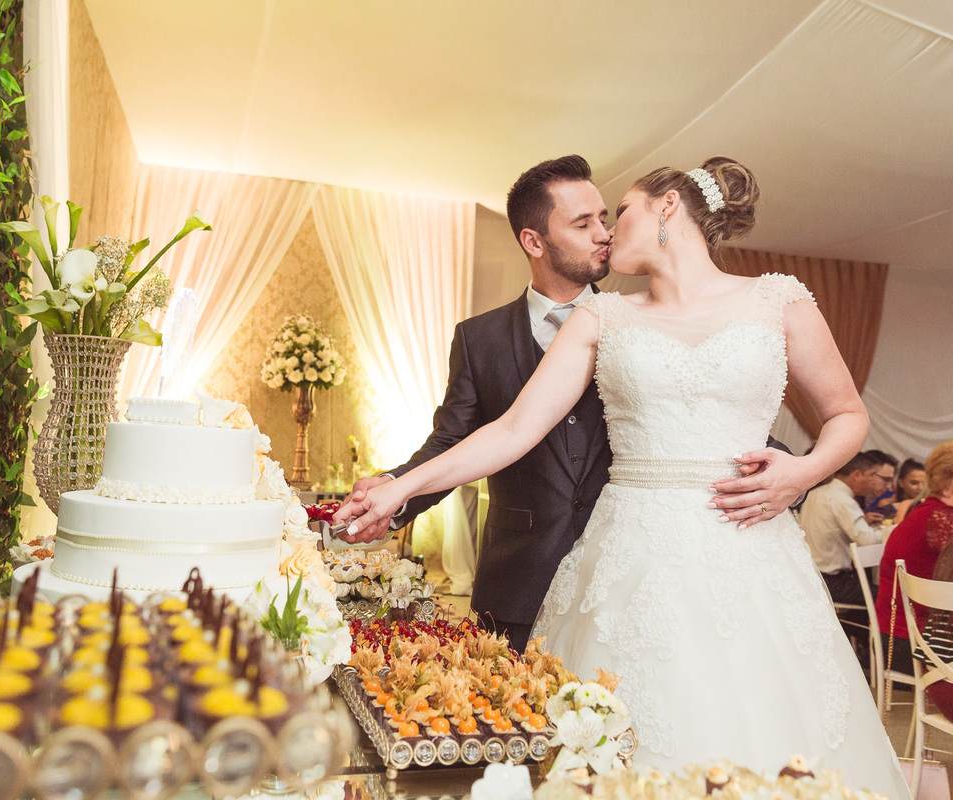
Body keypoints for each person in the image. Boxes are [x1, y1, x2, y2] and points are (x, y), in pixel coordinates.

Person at [336, 157, 909, 794]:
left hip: (749, 551)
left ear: (668, 207)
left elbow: (847, 414)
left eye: (621, 211)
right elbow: (512, 429)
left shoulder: (780, 300)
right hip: (630, 556)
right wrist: (399, 486)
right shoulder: (603, 317)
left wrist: (802, 472)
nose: (609, 232)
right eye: (593, 221)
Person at [339, 155, 780, 652]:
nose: (604, 234)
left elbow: (713, 410)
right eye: (583, 223)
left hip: (627, 575)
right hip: (518, 581)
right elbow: (455, 439)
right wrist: (395, 492)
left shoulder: (643, 323)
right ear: (534, 241)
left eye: (605, 218)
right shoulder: (479, 338)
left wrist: (790, 474)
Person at [875, 441, 953, 678]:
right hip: (915, 645)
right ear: (948, 486)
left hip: (900, 635)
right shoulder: (942, 519)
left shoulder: (925, 511)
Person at [798, 450, 897, 605]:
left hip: (811, 576)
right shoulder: (842, 499)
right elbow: (868, 540)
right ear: (857, 475)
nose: (872, 480)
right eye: (871, 475)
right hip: (833, 582)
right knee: (893, 597)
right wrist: (896, 530)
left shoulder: (815, 493)